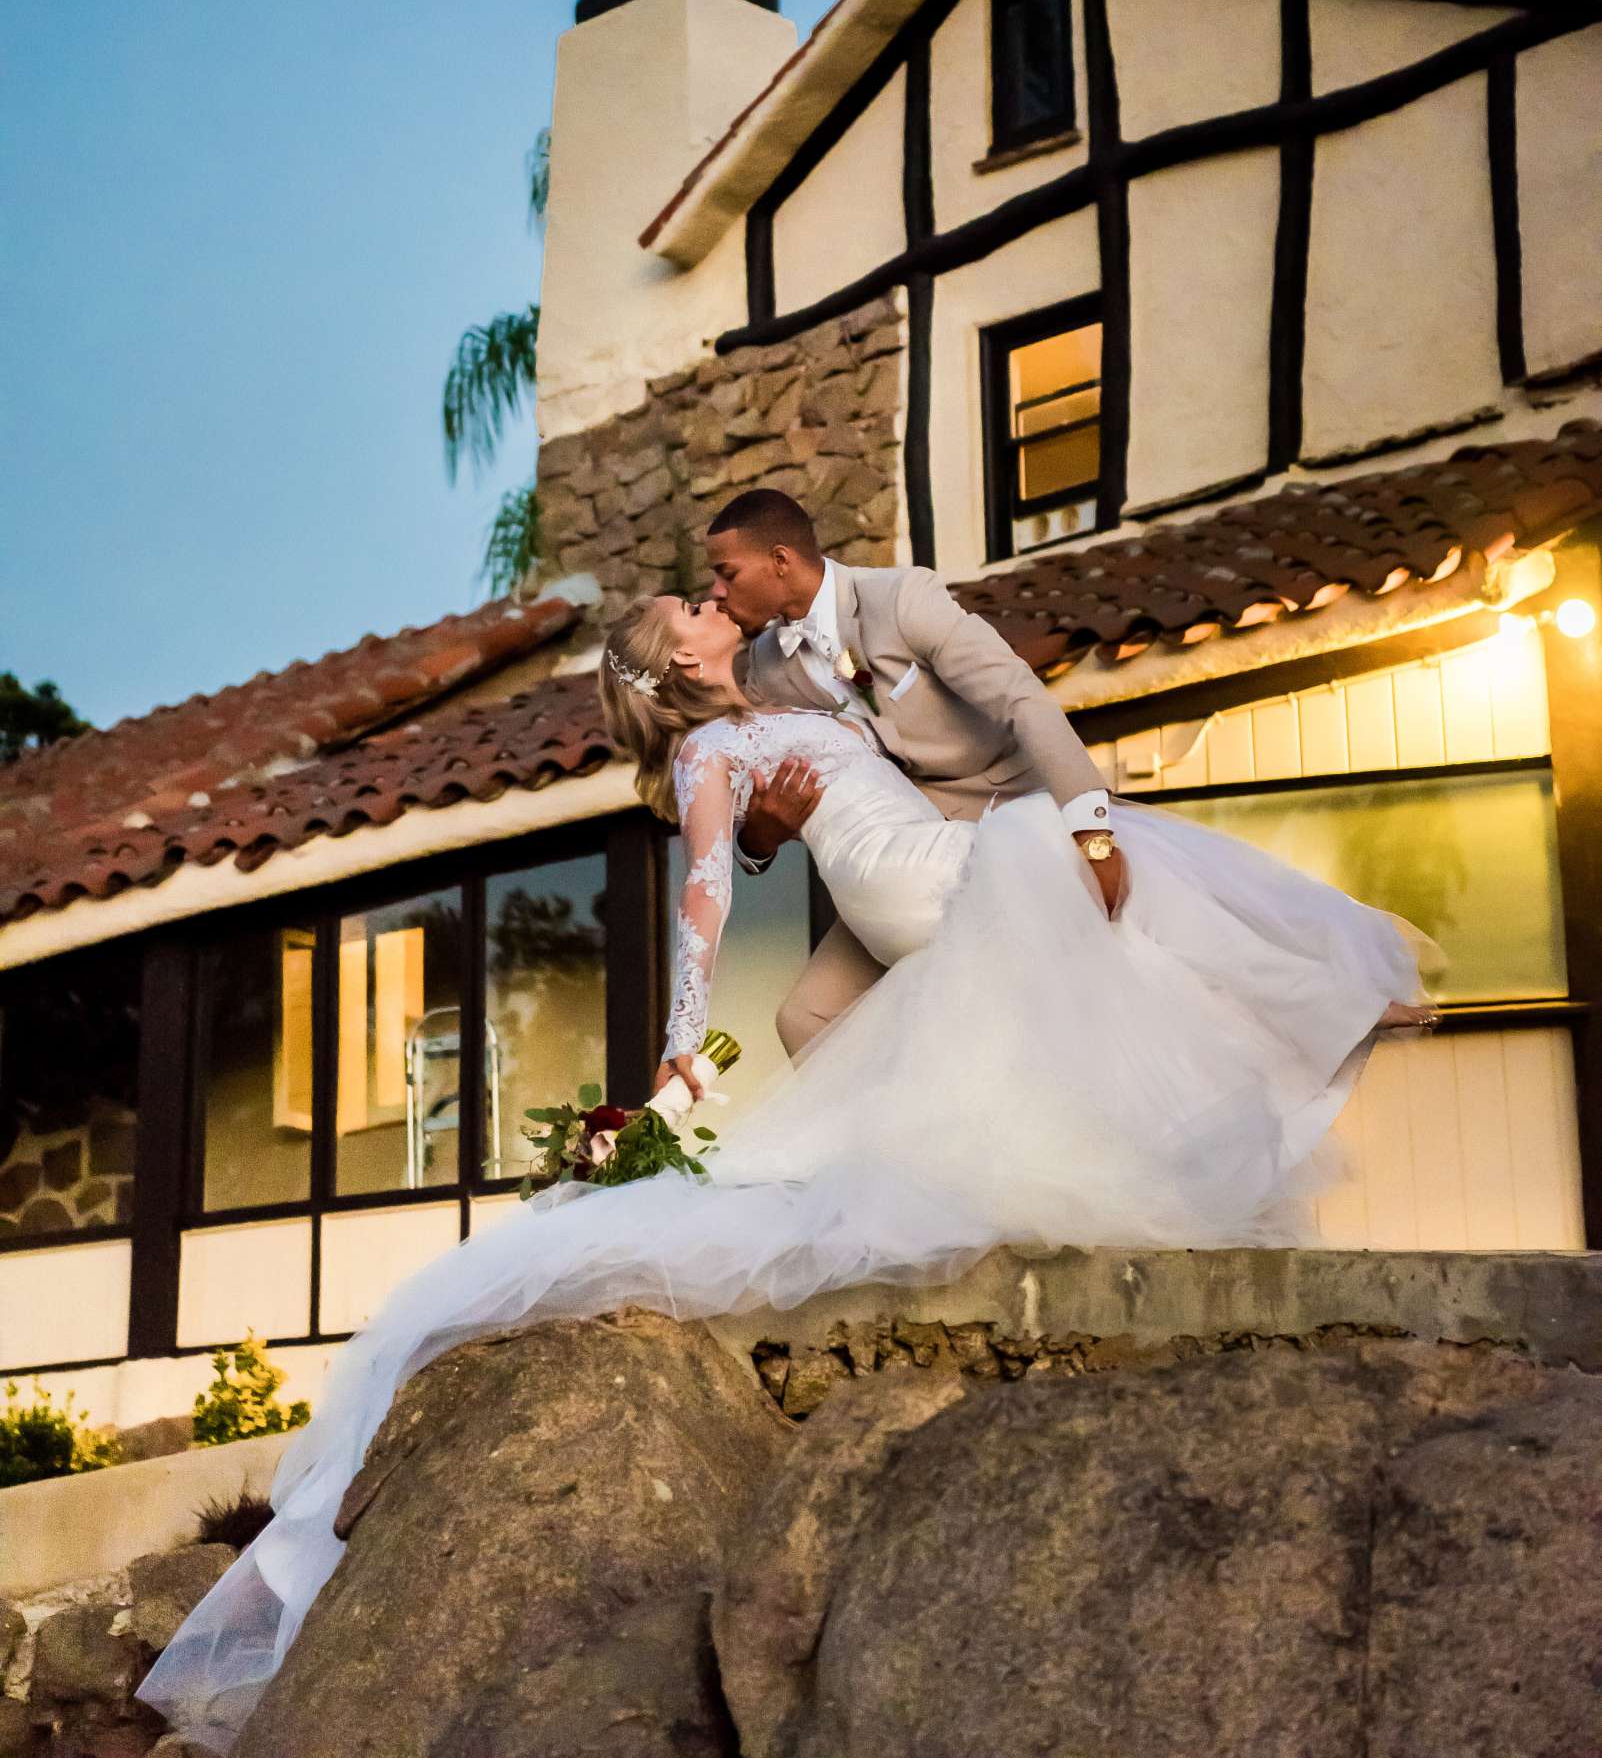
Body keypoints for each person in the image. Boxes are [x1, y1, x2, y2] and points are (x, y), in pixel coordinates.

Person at [142, 577, 1436, 1753]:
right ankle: (1333, 992)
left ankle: (1312, 1009)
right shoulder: (710, 747)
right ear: (671, 666)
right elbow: (703, 893)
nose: (714, 603)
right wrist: (676, 1060)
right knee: (1085, 850)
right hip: (907, 884)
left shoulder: (774, 701)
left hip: (900, 887)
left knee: (1049, 914)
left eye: (708, 594)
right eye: (691, 608)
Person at [701, 488, 1125, 1059]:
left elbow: (1020, 699)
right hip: (903, 864)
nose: (716, 592)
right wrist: (760, 840)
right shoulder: (764, 669)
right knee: (805, 1017)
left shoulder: (903, 598)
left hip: (1013, 817)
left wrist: (1092, 834)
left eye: (727, 573)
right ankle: (895, 1145)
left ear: (780, 560)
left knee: (1065, 994)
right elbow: (748, 801)